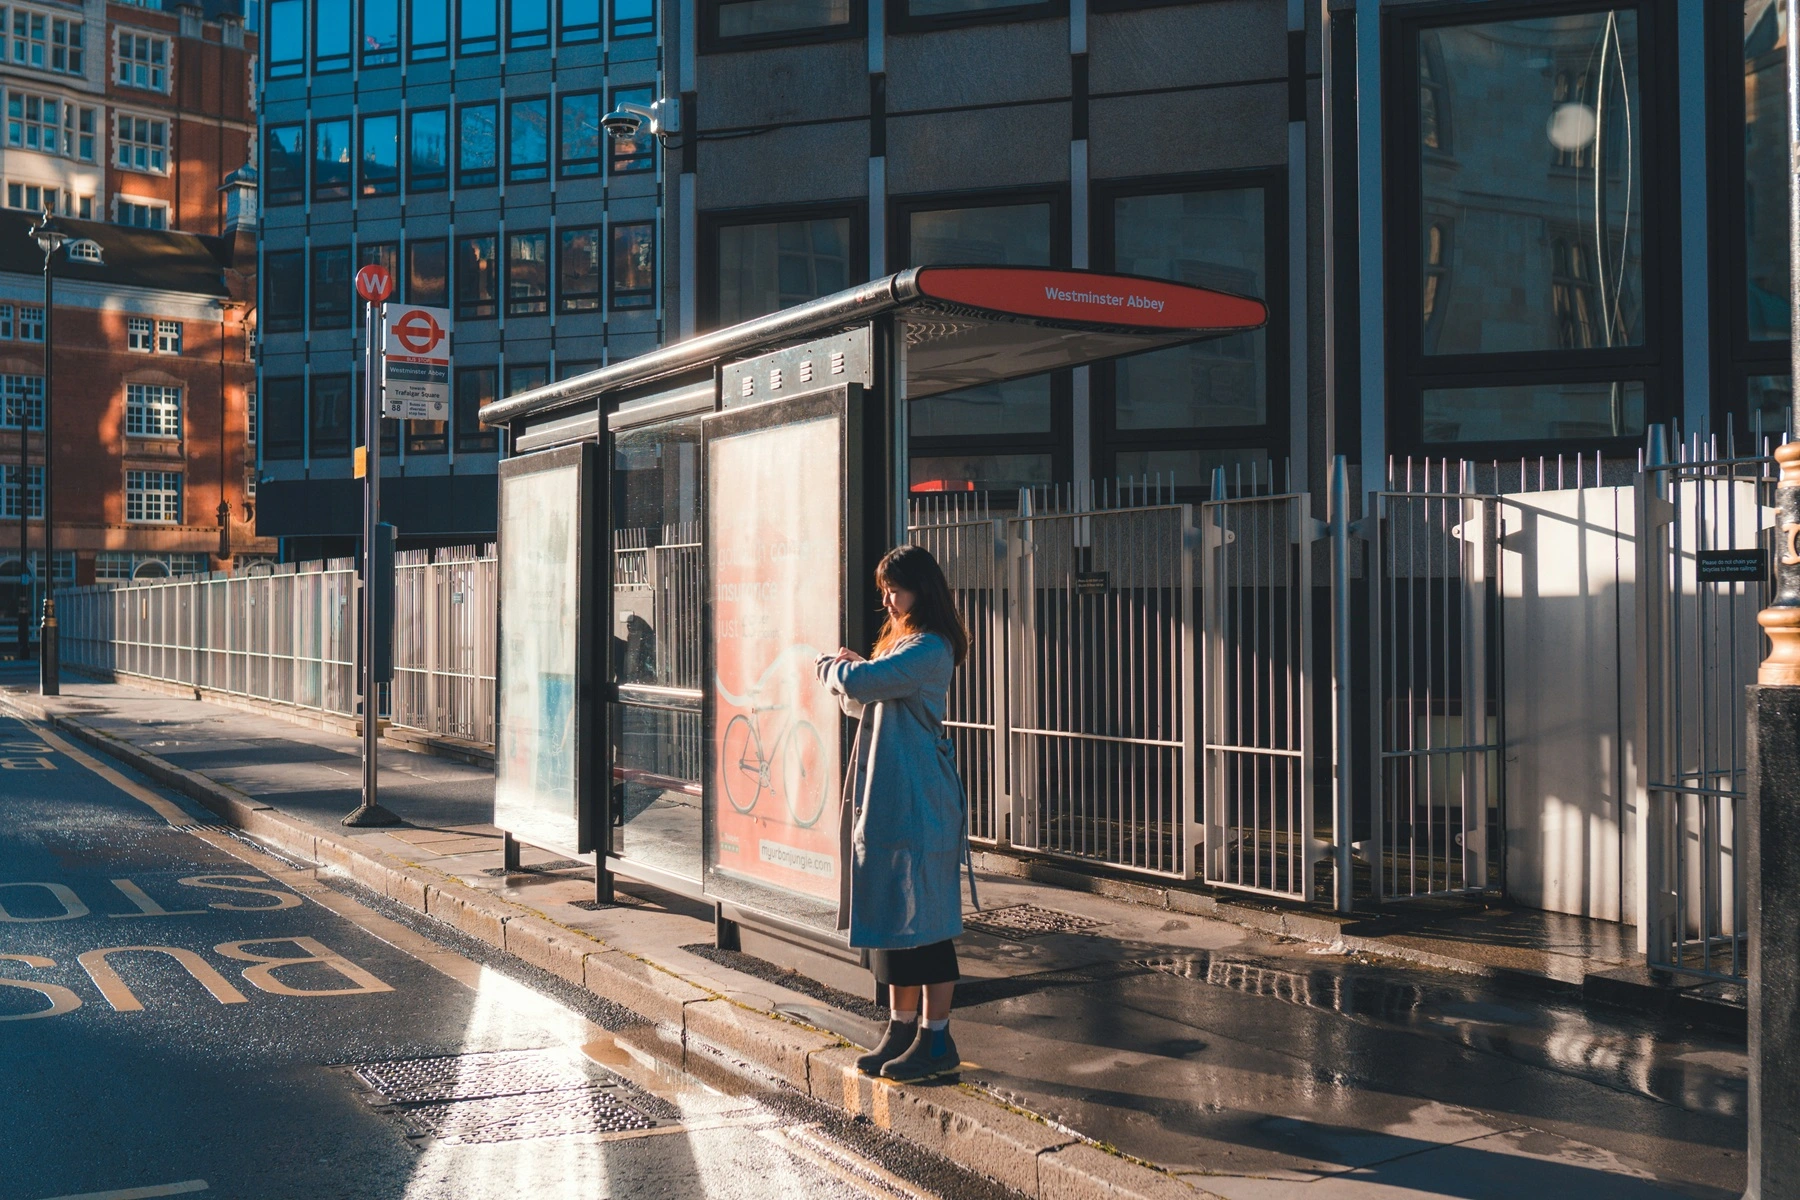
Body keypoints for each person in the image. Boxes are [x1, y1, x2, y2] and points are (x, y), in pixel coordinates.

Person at [816, 544, 972, 1082]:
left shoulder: (930, 646)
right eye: (885, 588)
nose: (887, 598)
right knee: (892, 917)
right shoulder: (904, 644)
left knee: (926, 923)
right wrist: (851, 675)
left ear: (921, 590)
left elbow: (860, 685)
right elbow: (862, 700)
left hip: (920, 800)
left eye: (895, 588)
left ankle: (937, 1038)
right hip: (891, 798)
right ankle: (901, 1028)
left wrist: (835, 667)